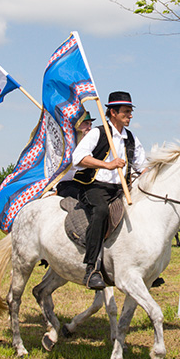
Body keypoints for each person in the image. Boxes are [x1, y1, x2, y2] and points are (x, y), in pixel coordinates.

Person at [71, 91, 146, 290]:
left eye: (131, 112)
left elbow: (142, 166)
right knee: (101, 212)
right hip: (93, 187)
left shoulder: (131, 138)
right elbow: (78, 158)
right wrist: (108, 165)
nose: (130, 115)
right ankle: (91, 269)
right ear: (113, 112)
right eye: (126, 112)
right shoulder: (98, 133)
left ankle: (140, 266)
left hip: (121, 189)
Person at [54, 111, 94, 199]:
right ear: (76, 125)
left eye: (90, 125)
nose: (89, 128)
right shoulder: (65, 145)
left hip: (84, 183)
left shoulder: (91, 145)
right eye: (86, 124)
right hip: (66, 184)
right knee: (85, 198)